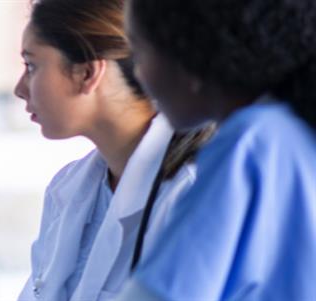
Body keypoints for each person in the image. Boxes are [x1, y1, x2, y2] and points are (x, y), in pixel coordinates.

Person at [12, 0, 213, 299]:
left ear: (87, 74)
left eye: (32, 66)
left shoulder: (192, 197)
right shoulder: (67, 189)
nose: (19, 88)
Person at [120, 0, 316, 299]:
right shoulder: (289, 130)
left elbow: (158, 294)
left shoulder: (251, 142)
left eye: (140, 52)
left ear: (189, 55)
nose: (138, 75)